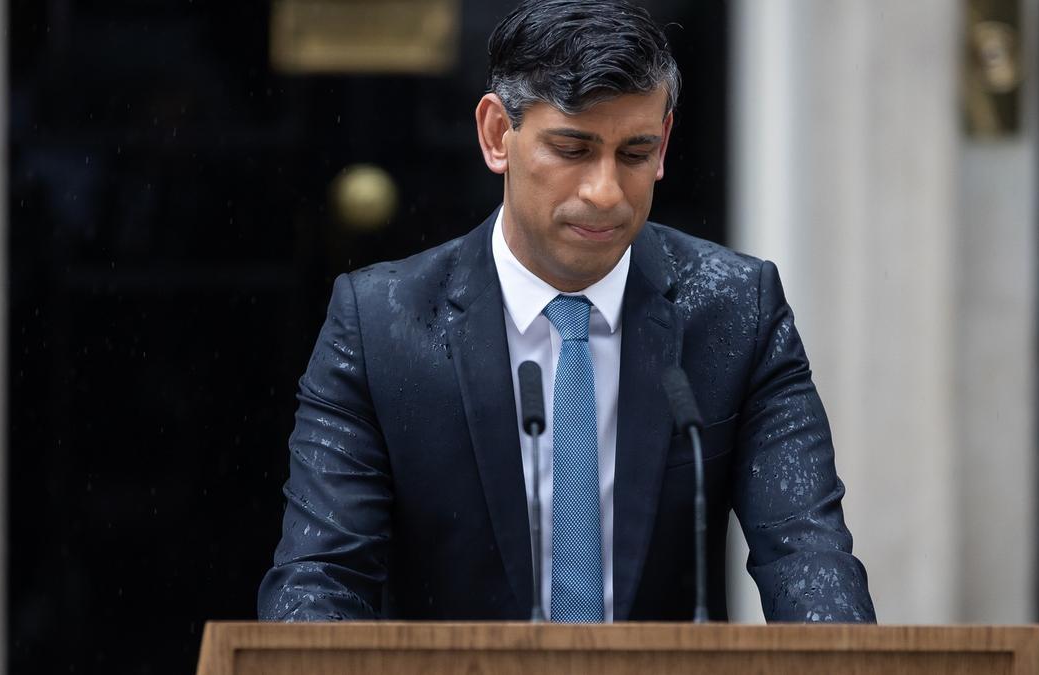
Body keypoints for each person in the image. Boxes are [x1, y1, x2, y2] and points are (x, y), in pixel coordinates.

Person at [257, 0, 875, 623]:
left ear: (663, 146)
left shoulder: (736, 309)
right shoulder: (381, 323)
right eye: (573, 148)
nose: (604, 191)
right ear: (498, 135)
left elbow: (810, 558)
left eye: (635, 153)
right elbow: (319, 581)